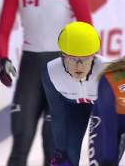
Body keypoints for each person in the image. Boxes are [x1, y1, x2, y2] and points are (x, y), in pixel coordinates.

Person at [0, 0, 92, 166]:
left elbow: (88, 34)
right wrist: (3, 61)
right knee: (21, 140)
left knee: (53, 145)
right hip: (30, 71)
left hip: (61, 72)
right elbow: (2, 32)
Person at [41, 22, 108, 166]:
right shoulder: (51, 72)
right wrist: (60, 151)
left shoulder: (108, 72)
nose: (79, 66)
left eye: (85, 59)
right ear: (62, 56)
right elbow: (58, 114)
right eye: (72, 59)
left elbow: (116, 119)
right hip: (73, 110)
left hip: (104, 112)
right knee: (66, 157)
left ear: (94, 56)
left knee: (103, 158)